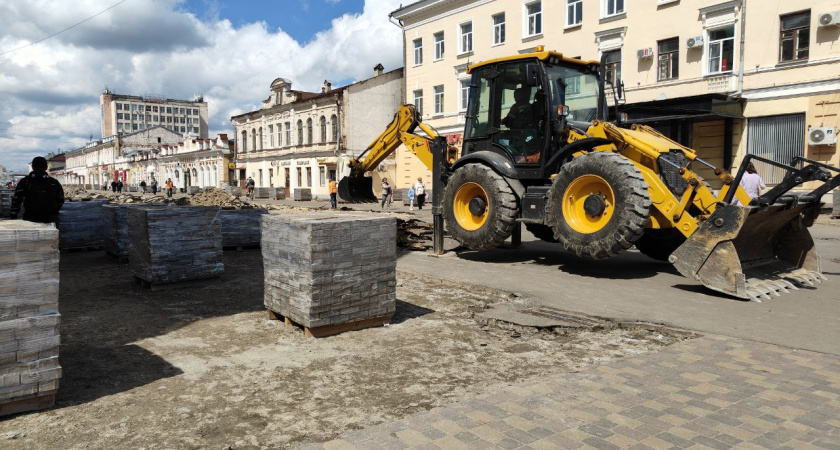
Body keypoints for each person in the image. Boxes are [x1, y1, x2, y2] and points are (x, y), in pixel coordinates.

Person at [10, 156, 64, 225]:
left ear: (32, 167)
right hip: (50, 218)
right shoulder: (53, 182)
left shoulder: (25, 182)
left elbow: (17, 200)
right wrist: (53, 211)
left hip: (30, 218)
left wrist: (13, 215)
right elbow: (60, 200)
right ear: (46, 167)